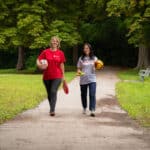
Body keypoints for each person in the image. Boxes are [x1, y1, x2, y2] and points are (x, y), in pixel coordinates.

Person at [37, 36, 66, 116]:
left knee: (53, 91)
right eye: (53, 41)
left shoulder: (60, 53)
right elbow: (38, 60)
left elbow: (62, 64)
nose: (54, 42)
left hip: (57, 76)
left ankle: (52, 110)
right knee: (49, 93)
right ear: (51, 42)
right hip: (46, 77)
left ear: (58, 43)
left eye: (56, 41)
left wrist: (63, 76)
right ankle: (51, 108)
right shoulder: (45, 52)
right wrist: (39, 66)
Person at [77, 43, 98, 117]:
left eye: (87, 48)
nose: (86, 49)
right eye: (85, 48)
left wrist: (97, 66)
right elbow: (79, 68)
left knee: (92, 94)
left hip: (92, 79)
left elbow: (98, 67)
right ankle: (84, 107)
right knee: (83, 95)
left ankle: (92, 110)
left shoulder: (94, 58)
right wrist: (79, 72)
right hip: (83, 79)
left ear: (90, 49)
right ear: (83, 50)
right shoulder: (81, 58)